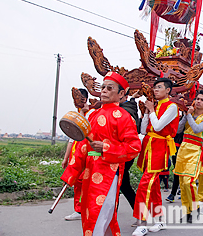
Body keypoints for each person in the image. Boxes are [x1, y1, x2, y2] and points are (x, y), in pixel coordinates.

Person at [60, 72, 141, 236]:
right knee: (90, 211)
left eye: (109, 88)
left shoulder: (124, 117)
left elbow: (133, 147)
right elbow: (82, 146)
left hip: (109, 172)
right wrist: (71, 174)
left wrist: (106, 147)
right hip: (90, 170)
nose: (104, 90)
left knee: (101, 212)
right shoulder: (93, 115)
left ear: (121, 94)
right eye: (103, 87)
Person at [133, 78, 179, 236]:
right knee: (152, 188)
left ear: (168, 90)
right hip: (148, 146)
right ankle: (159, 220)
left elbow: (159, 126)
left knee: (145, 185)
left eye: (159, 87)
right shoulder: (155, 106)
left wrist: (151, 110)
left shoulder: (171, 106)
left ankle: (142, 222)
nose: (155, 90)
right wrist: (146, 113)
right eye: (155, 88)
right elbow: (144, 130)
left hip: (159, 148)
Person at [174, 90, 203, 223]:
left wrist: (189, 115)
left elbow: (197, 129)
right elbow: (178, 130)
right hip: (183, 149)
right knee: (182, 183)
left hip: (195, 150)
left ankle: (195, 210)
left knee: (188, 182)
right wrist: (185, 115)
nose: (198, 101)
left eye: (202, 100)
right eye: (197, 99)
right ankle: (187, 212)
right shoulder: (188, 114)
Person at [61, 88, 90, 221]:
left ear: (84, 99)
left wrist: (83, 114)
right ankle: (78, 209)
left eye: (78, 99)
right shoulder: (75, 114)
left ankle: (83, 209)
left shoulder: (92, 113)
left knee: (83, 181)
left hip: (86, 153)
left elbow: (85, 133)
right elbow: (71, 138)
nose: (75, 102)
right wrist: (66, 157)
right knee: (77, 182)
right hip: (75, 152)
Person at [117, 91, 142, 212]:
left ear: (123, 95)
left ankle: (110, 217)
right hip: (120, 152)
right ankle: (140, 211)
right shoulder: (126, 107)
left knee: (116, 185)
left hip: (124, 152)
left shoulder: (126, 110)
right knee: (123, 185)